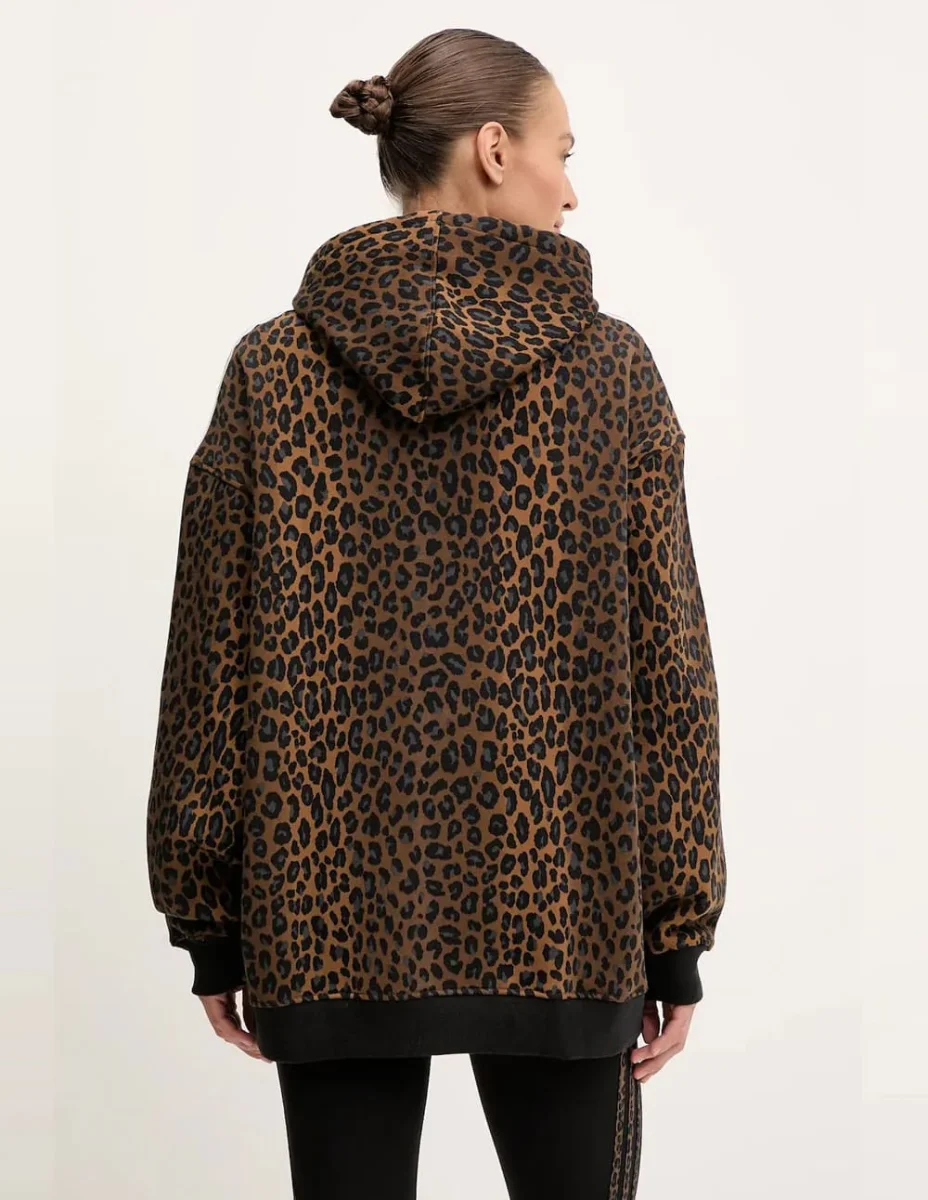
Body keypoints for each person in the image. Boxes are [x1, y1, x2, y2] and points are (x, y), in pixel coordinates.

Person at [145, 25, 726, 1200]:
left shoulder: (271, 373)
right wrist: (675, 933)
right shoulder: (611, 372)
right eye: (564, 152)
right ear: (496, 150)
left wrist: (209, 918)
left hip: (324, 922)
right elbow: (669, 675)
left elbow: (208, 664)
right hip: (567, 918)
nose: (573, 188)